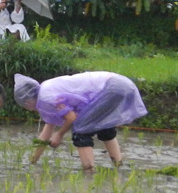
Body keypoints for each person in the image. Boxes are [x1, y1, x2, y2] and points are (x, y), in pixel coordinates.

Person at [14, 72, 148, 171]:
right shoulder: (47, 90)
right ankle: (118, 166)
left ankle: (89, 171)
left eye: (25, 105)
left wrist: (59, 134)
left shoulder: (46, 97)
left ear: (27, 100)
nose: (28, 108)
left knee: (80, 130)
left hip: (112, 87)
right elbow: (45, 134)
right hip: (122, 83)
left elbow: (72, 118)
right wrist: (31, 163)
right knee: (102, 126)